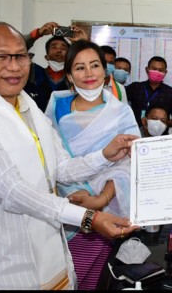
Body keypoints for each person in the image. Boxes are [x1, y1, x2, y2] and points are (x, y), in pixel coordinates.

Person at [0, 22, 139, 289]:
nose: (14, 66)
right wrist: (89, 217)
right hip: (2, 263)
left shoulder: (28, 106)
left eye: (20, 56)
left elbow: (60, 169)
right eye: (1, 57)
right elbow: (11, 191)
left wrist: (106, 156)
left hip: (48, 250)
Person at [44, 40, 141, 290]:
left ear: (105, 71)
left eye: (94, 65)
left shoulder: (121, 112)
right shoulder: (57, 105)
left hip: (105, 210)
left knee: (88, 278)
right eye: (79, 68)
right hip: (63, 210)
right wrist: (73, 195)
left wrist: (100, 200)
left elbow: (130, 165)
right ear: (68, 75)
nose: (88, 74)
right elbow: (54, 164)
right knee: (59, 278)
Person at [125, 56, 172, 129]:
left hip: (160, 136)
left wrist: (162, 124)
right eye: (154, 69)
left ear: (165, 72)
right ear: (147, 70)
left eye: (160, 70)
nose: (157, 72)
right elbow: (119, 105)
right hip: (134, 133)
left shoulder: (171, 93)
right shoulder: (134, 87)